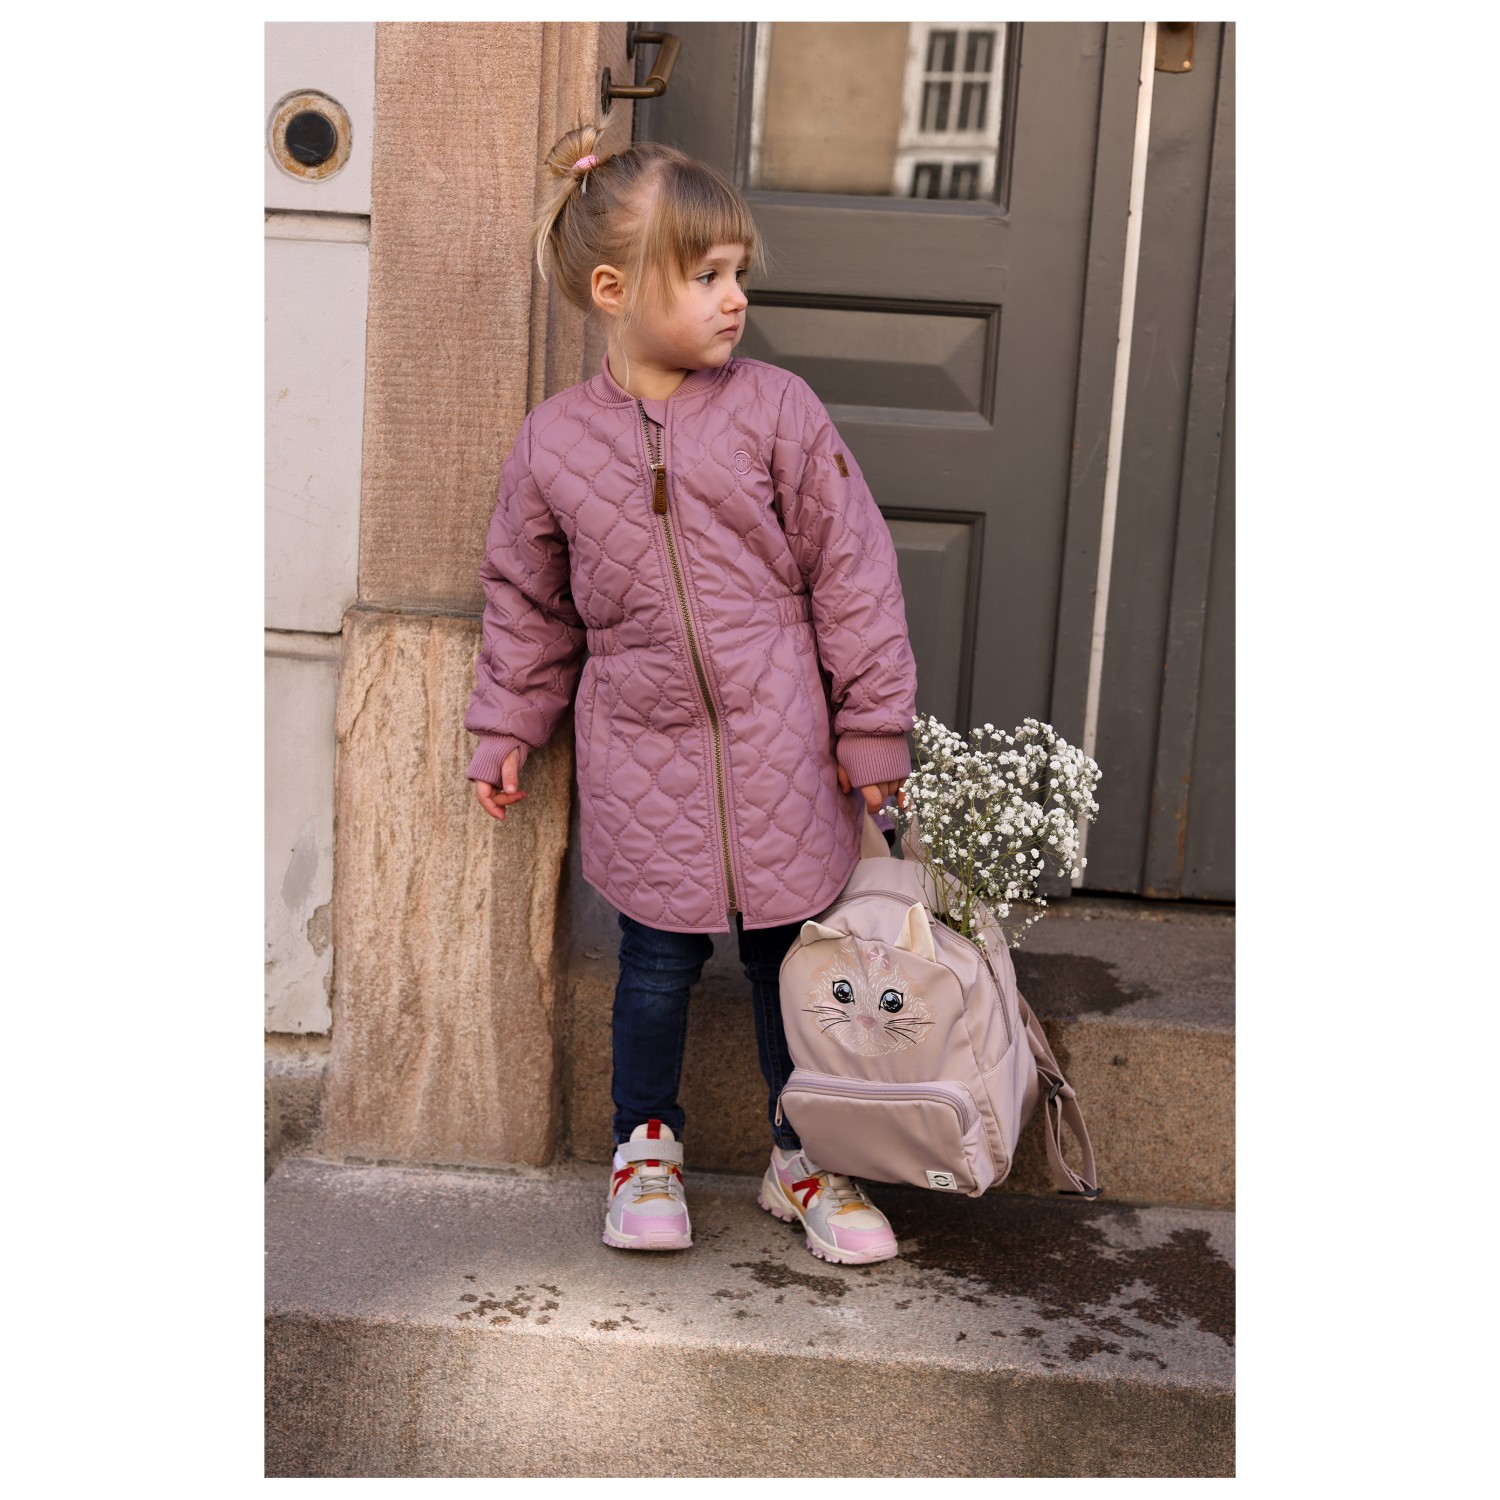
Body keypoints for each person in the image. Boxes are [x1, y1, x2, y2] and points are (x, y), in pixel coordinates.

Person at [464, 124, 918, 1265]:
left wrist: (871, 726)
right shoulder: (553, 444)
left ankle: (804, 1155)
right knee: (655, 966)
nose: (734, 298)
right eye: (706, 275)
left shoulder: (777, 410)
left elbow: (852, 571)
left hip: (783, 743)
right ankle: (645, 1148)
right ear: (614, 291)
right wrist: (508, 722)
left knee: (789, 968)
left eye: (738, 273)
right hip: (640, 749)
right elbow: (528, 602)